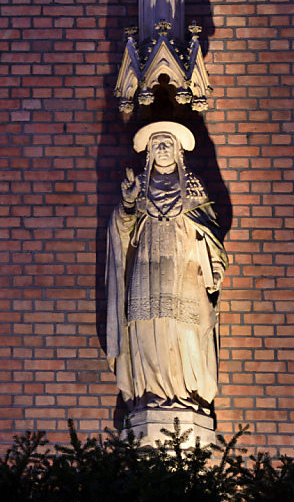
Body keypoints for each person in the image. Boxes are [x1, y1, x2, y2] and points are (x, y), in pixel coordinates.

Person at [106, 121, 227, 413]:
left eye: (168, 143)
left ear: (178, 151)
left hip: (183, 266)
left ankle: (186, 393)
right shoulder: (138, 187)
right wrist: (129, 202)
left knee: (183, 329)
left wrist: (213, 262)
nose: (162, 148)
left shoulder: (193, 186)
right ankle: (150, 393)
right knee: (147, 328)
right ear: (148, 151)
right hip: (146, 265)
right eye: (157, 143)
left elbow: (209, 229)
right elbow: (122, 228)